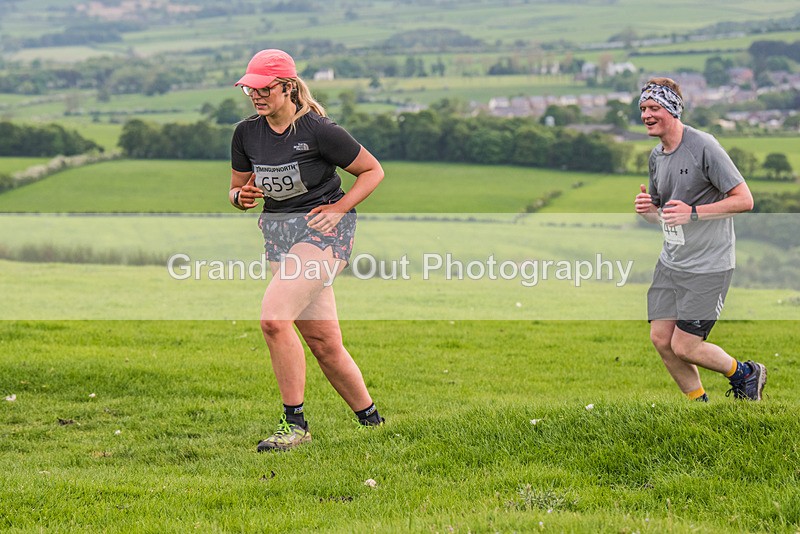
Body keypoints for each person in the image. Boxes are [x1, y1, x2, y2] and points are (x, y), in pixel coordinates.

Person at [229, 49, 385, 451]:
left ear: (288, 87)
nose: (256, 95)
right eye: (250, 88)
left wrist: (339, 208)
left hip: (322, 233)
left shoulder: (319, 130)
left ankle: (294, 425)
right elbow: (237, 188)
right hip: (279, 236)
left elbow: (373, 171)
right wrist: (241, 197)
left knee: (274, 320)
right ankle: (373, 424)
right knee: (324, 343)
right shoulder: (246, 133)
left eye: (264, 88)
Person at [633, 77, 766, 402]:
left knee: (685, 345)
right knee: (662, 339)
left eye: (654, 107)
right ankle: (700, 405)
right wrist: (648, 210)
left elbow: (744, 200)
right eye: (643, 108)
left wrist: (694, 212)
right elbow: (664, 216)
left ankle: (746, 373)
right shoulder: (656, 156)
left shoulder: (703, 146)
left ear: (672, 109)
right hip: (671, 262)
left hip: (708, 265)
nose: (646, 115)